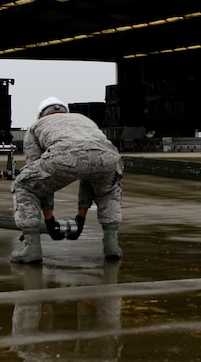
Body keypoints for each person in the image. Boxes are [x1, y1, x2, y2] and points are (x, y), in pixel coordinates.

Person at [10, 97, 124, 263]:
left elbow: (40, 183)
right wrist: (80, 219)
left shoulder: (36, 127)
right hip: (109, 156)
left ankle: (32, 248)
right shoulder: (83, 119)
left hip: (65, 155)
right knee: (108, 189)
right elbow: (89, 171)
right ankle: (111, 245)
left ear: (41, 115)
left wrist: (49, 221)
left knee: (25, 185)